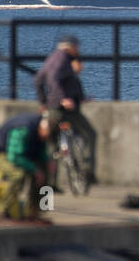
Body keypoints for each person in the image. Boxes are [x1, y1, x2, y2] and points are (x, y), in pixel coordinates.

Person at [34, 35, 97, 186]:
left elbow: (38, 81)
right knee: (89, 134)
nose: (78, 51)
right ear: (71, 47)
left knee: (51, 145)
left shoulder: (52, 59)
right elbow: (55, 79)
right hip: (65, 109)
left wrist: (43, 102)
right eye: (77, 47)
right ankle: (88, 171)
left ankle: (50, 183)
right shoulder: (63, 59)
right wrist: (64, 99)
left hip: (52, 107)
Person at [0, 112, 51, 220]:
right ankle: (2, 211)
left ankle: (37, 211)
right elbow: (14, 156)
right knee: (18, 175)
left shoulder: (42, 129)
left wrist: (48, 162)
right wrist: (34, 169)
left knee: (44, 171)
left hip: (20, 154)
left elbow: (41, 151)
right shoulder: (23, 129)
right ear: (42, 128)